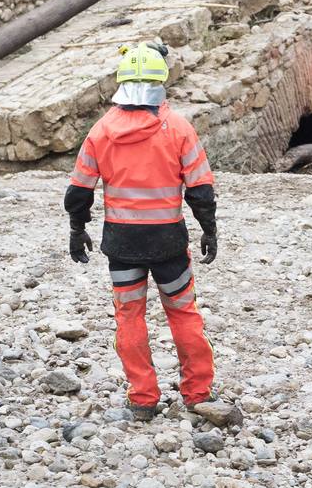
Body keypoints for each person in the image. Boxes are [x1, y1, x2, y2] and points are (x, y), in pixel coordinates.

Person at [64, 43, 227, 422]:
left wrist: (77, 229)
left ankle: (142, 398)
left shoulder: (101, 130)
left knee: (129, 315)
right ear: (161, 80)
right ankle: (197, 392)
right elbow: (201, 190)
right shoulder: (178, 128)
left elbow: (79, 190)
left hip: (122, 242)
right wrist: (209, 230)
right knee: (183, 313)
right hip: (168, 239)